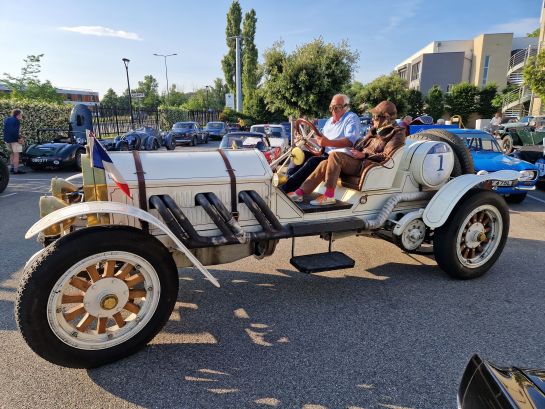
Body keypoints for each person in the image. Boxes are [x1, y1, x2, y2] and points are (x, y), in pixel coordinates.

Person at [288, 100, 405, 206]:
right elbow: (360, 145)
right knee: (325, 162)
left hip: (368, 165)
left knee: (334, 156)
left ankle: (329, 195)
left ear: (386, 117)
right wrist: (353, 151)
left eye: (375, 116)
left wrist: (364, 155)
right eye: (373, 116)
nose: (373, 119)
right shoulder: (374, 130)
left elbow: (387, 157)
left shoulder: (397, 133)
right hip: (359, 161)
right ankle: (300, 192)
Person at [281, 94, 360, 193]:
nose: (333, 110)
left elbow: (350, 141)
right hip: (325, 154)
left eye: (337, 107)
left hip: (340, 159)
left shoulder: (351, 118)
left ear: (346, 107)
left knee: (313, 161)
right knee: (300, 154)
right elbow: (321, 141)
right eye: (331, 108)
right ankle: (285, 180)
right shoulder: (329, 122)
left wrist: (327, 142)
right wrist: (305, 140)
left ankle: (285, 190)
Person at [3, 109, 25, 174]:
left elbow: (7, 130)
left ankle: (12, 168)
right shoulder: (17, 121)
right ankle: (16, 170)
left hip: (7, 139)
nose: (21, 116)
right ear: (18, 115)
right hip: (14, 140)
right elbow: (14, 131)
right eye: (21, 114)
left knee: (12, 153)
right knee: (16, 154)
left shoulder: (7, 119)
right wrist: (19, 139)